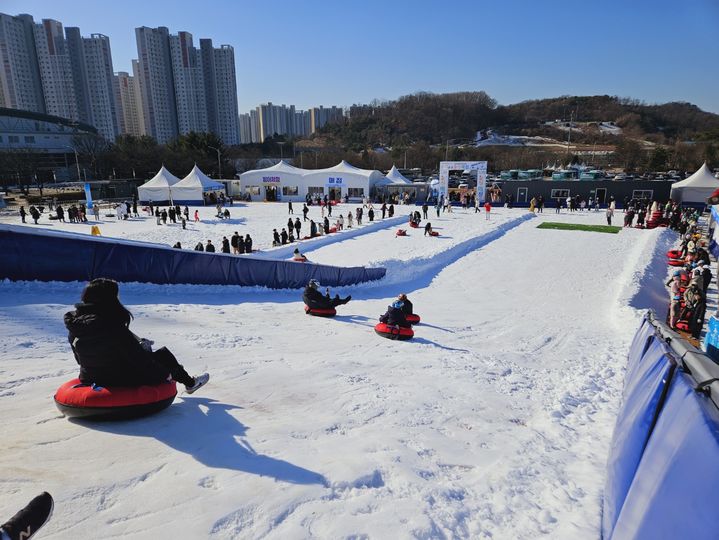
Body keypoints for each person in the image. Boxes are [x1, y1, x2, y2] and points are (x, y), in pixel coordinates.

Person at [64, 278, 208, 392]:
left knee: (149, 354)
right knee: (163, 356)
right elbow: (139, 360)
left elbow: (81, 358)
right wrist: (165, 374)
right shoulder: (112, 325)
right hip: (117, 379)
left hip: (89, 376)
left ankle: (188, 381)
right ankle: (190, 383)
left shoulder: (76, 324)